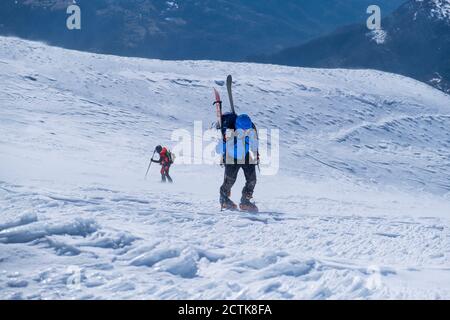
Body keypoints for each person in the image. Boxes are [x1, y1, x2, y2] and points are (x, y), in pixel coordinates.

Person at [218, 113, 259, 212]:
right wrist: (224, 142)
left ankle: (245, 201)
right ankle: (224, 199)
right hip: (231, 157)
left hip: (245, 155)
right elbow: (219, 149)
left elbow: (254, 142)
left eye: (247, 130)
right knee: (230, 181)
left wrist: (256, 153)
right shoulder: (229, 132)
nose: (246, 132)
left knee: (252, 179)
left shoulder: (251, 130)